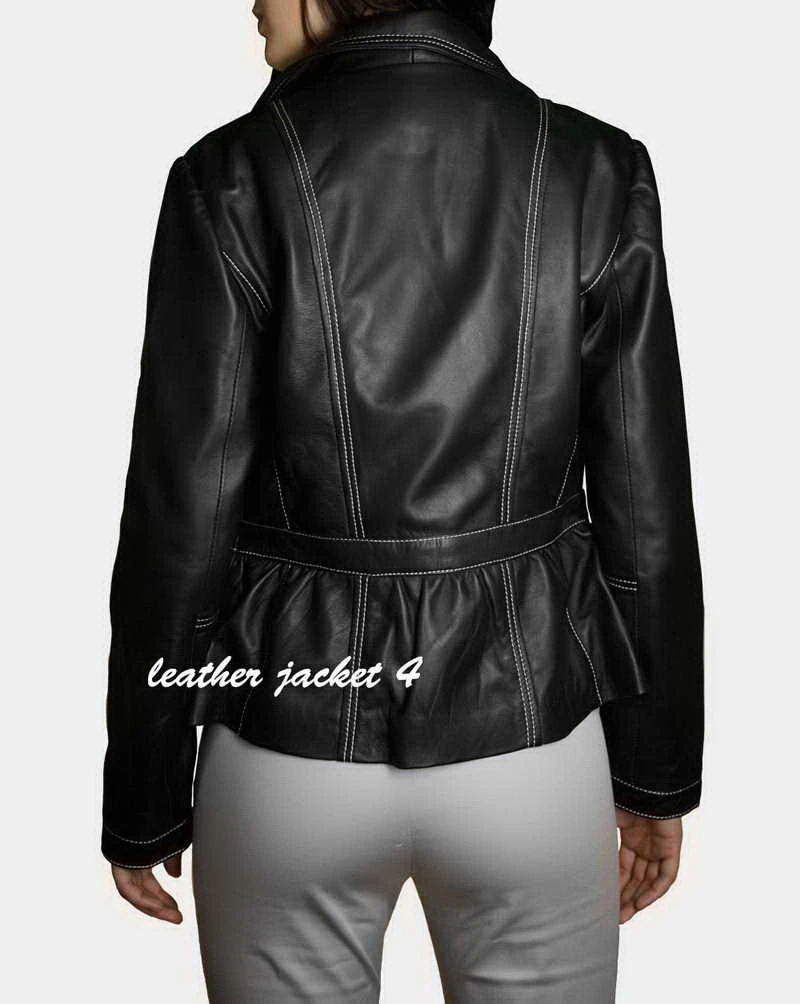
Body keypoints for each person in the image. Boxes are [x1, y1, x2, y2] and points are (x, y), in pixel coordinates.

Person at [102, 1, 704, 1000]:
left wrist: (143, 791)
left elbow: (180, 521)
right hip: (532, 741)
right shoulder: (596, 169)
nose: (251, 1)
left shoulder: (229, 175)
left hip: (287, 741)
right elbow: (645, 510)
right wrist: (654, 771)